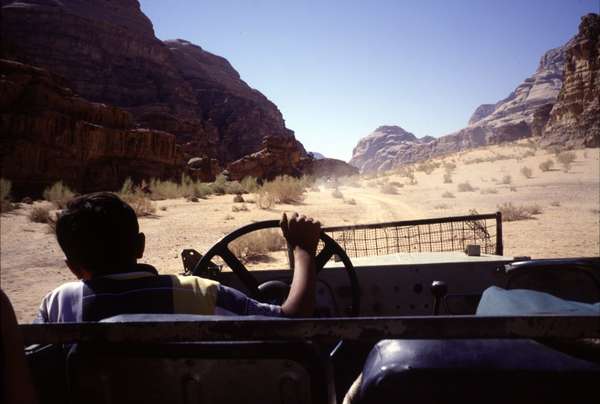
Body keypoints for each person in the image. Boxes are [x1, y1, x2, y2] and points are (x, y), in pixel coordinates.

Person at [35, 192, 320, 323]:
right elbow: (292, 320)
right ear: (140, 247)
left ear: (73, 267)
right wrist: (304, 250)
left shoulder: (57, 305)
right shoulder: (202, 294)